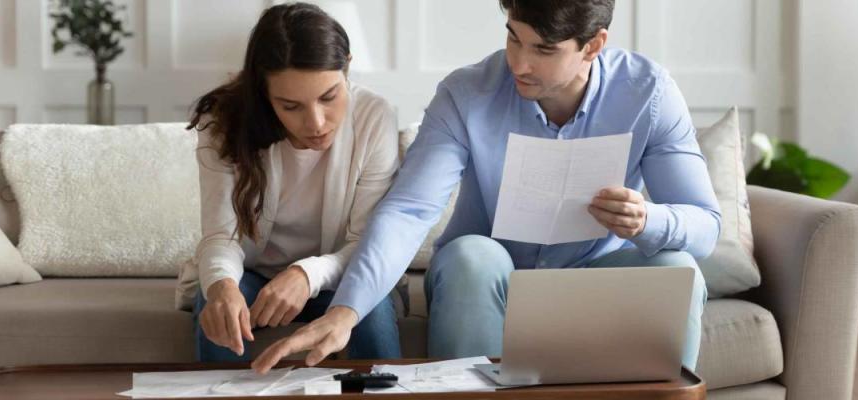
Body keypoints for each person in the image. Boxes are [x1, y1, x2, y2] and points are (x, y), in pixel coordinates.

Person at [252, 0, 720, 373]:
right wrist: (345, 312)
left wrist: (648, 219)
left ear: (593, 45)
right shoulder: (467, 93)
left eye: (543, 49)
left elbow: (705, 226)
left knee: (678, 267)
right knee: (472, 256)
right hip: (486, 279)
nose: (519, 62)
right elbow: (409, 210)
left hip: (594, 280)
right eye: (514, 38)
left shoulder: (648, 94)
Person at [179, 2, 402, 362]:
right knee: (218, 302)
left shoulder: (375, 117)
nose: (316, 123)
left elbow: (366, 243)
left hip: (340, 277)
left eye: (329, 97)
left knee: (369, 309)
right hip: (252, 274)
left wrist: (305, 275)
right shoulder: (223, 122)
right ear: (264, 96)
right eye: (290, 106)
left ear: (347, 65)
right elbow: (222, 236)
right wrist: (222, 286)